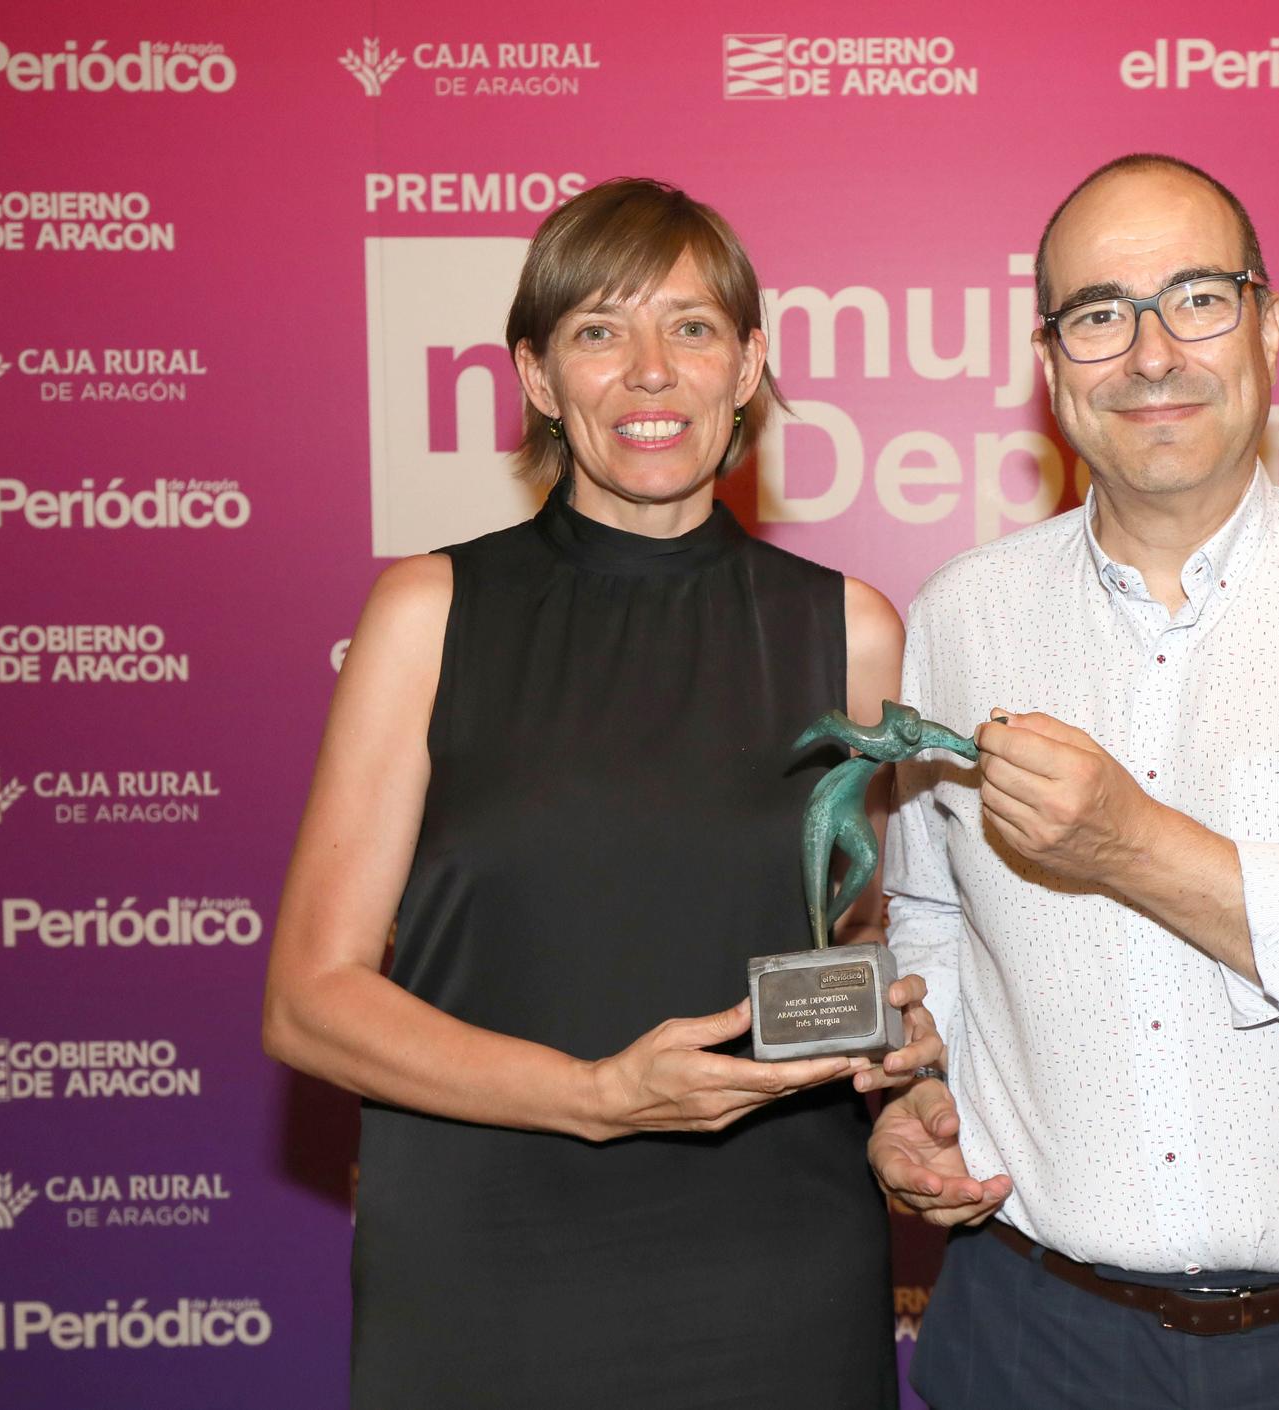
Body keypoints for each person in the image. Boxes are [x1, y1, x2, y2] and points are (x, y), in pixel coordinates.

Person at [263, 177, 935, 1409]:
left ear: (746, 368)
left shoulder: (848, 632)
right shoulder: (430, 614)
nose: (647, 372)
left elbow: (853, 948)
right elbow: (310, 1003)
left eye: (689, 327)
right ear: (533, 376)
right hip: (484, 1275)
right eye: (596, 331)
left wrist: (907, 1064)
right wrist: (597, 1098)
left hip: (773, 1268)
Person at [868, 153, 1279, 1409]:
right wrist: (924, 1093)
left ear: (1268, 325)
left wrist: (1132, 844)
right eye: (1100, 314)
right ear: (1052, 363)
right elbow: (933, 917)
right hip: (1025, 1334)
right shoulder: (961, 618)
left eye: (1197, 299)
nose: (1151, 353)